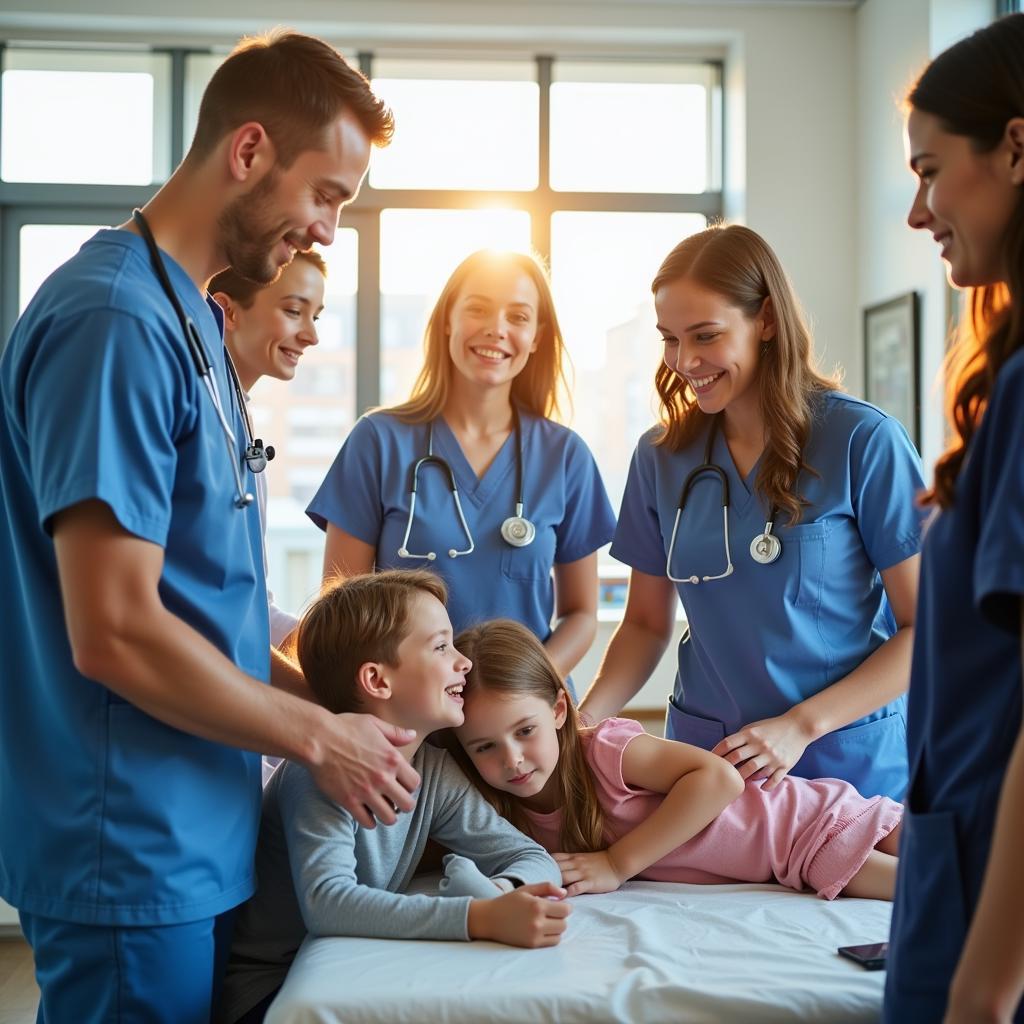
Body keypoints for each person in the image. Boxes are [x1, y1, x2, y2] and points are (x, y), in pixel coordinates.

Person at [0, 31, 421, 1024]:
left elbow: (205, 612)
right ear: (248, 152)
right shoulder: (114, 323)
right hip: (128, 836)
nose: (324, 232)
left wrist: (337, 707)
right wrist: (321, 735)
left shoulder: (191, 325)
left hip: (195, 825)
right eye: (326, 196)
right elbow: (114, 631)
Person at [579, 224, 924, 801]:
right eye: (669, 339)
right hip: (711, 767)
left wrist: (801, 726)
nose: (684, 362)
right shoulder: (661, 457)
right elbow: (644, 625)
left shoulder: (863, 440)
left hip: (844, 764)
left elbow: (925, 630)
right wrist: (581, 725)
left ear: (765, 320)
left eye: (705, 336)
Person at [221, 572, 570, 1023]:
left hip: (355, 975)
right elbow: (328, 903)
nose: (464, 663)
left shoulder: (433, 771)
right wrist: (476, 918)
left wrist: (501, 894)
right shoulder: (320, 774)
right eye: (442, 647)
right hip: (276, 993)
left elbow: (526, 853)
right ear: (378, 681)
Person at [886, 14, 1024, 1022]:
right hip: (961, 870)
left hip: (995, 920)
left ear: (1014, 147)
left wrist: (983, 985)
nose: (917, 209)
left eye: (930, 171)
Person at [306, 249, 616, 688]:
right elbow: (343, 609)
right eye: (478, 308)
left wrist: (522, 687)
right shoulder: (377, 441)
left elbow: (581, 613)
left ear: (537, 336)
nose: (497, 328)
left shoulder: (566, 456)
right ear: (447, 319)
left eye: (518, 316)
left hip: (524, 721)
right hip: (411, 715)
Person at [447, 619, 903, 902]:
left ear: (559, 711)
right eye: (484, 746)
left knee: (945, 885)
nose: (513, 759)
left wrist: (617, 863)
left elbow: (719, 779)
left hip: (806, 827)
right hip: (799, 854)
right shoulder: (495, 811)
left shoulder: (601, 750)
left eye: (525, 731)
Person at [210, 249, 327, 650]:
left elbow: (254, 606)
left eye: (316, 316)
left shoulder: (238, 418)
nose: (312, 335)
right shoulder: (205, 419)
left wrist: (338, 651)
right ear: (226, 310)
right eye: (295, 312)